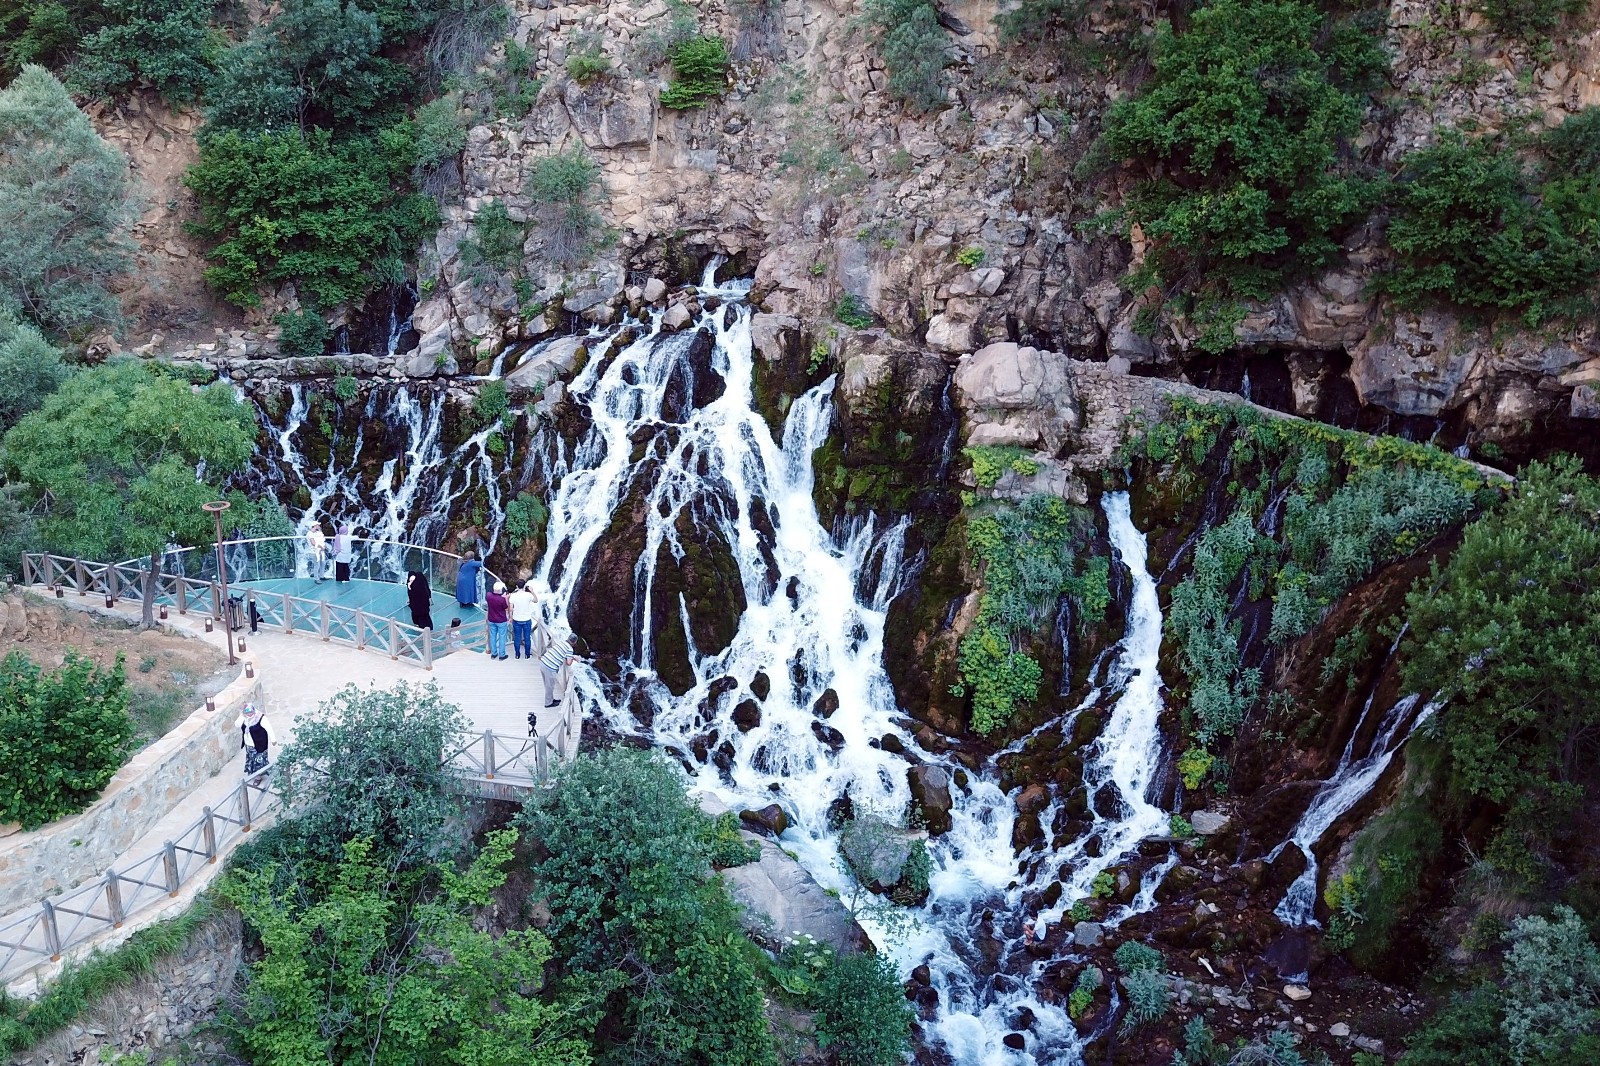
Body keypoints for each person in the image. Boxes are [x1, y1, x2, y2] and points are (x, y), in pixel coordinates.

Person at [539, 627, 577, 709]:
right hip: (549, 667)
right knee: (550, 686)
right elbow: (568, 663)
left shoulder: (561, 643)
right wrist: (573, 658)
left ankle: (551, 699)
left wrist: (571, 657)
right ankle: (548, 703)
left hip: (543, 662)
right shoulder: (570, 649)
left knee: (548, 684)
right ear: (574, 642)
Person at [235, 703, 274, 777]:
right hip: (249, 744)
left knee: (259, 761)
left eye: (250, 712)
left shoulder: (260, 717)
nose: (249, 714)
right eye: (247, 712)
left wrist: (273, 739)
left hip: (260, 744)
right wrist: (242, 716)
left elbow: (269, 728)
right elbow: (237, 724)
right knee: (252, 760)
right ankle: (255, 775)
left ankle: (258, 777)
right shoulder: (244, 718)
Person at [508, 579, 538, 659]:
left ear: (517, 586)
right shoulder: (528, 595)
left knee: (517, 637)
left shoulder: (513, 596)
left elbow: (511, 609)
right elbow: (536, 600)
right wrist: (532, 591)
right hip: (526, 619)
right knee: (527, 637)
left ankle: (517, 655)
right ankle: (527, 655)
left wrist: (510, 618)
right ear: (524, 586)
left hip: (516, 619)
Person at [485, 580, 509, 660]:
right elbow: (506, 608)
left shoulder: (488, 596)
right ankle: (502, 655)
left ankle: (494, 654)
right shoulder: (501, 600)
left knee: (493, 636)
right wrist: (506, 598)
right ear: (500, 590)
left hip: (491, 619)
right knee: (502, 637)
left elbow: (490, 595)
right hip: (501, 620)